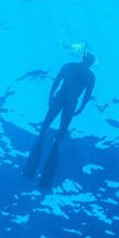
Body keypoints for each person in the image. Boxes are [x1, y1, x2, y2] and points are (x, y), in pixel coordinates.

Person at [22, 52, 96, 188]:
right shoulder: (88, 75)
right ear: (89, 61)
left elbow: (58, 82)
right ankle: (39, 172)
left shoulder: (73, 68)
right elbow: (84, 95)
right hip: (67, 101)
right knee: (52, 133)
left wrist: (52, 97)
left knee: (50, 132)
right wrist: (80, 108)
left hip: (64, 99)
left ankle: (36, 170)